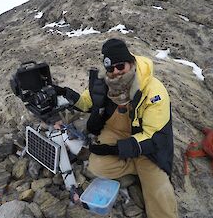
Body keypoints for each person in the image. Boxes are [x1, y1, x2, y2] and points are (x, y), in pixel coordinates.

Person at [55, 38, 178, 218]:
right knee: (97, 166)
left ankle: (142, 169)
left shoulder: (154, 91)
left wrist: (115, 149)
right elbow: (86, 103)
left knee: (159, 193)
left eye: (120, 66)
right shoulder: (103, 82)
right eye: (111, 69)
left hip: (147, 145)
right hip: (117, 133)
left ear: (130, 63)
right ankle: (134, 168)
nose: (116, 73)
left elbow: (153, 137)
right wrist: (66, 94)